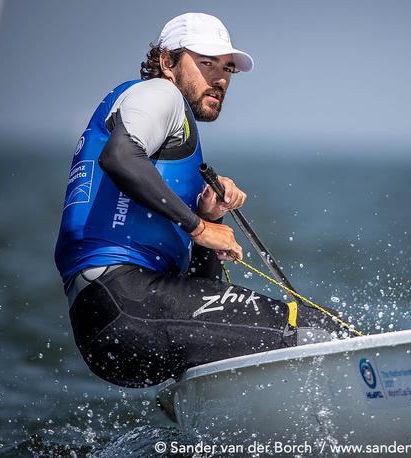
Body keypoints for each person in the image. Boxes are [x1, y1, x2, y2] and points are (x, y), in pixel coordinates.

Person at [54, 13, 346, 388]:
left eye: (227, 69)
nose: (220, 78)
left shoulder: (166, 137)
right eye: (206, 63)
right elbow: (119, 157)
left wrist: (210, 215)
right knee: (314, 327)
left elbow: (203, 288)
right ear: (167, 62)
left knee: (275, 340)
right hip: (127, 301)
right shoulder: (158, 94)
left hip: (111, 325)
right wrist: (200, 226)